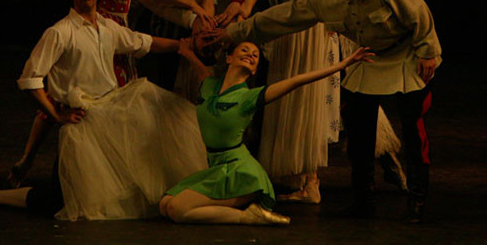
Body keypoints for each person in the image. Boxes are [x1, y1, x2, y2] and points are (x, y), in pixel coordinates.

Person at [210, 0, 442, 223]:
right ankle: (363, 200)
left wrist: (427, 51)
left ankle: (417, 200)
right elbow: (278, 18)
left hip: (407, 53)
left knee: (413, 128)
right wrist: (231, 33)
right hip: (369, 58)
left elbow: (418, 12)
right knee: (359, 130)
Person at [4, 0, 210, 189]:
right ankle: (73, 169)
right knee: (90, 98)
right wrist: (189, 4)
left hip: (113, 28)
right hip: (102, 27)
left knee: (91, 98)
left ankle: (89, 168)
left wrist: (182, 41)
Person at [0, 0, 207, 220]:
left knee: (109, 187)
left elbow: (141, 41)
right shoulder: (60, 32)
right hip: (82, 122)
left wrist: (183, 45)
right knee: (63, 199)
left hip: (109, 116)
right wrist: (56, 115)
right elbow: (30, 79)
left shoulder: (107, 27)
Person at [159, 39, 375, 225]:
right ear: (229, 58)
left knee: (177, 208)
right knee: (165, 205)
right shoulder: (209, 85)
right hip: (217, 168)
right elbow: (193, 60)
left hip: (241, 175)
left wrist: (343, 64)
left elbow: (297, 81)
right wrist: (185, 50)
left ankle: (249, 217)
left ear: (254, 70)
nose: (251, 55)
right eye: (244, 50)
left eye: (255, 55)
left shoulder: (249, 97)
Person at [236, 0, 341, 204]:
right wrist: (233, 19)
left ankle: (312, 182)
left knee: (310, 102)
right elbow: (247, 5)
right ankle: (299, 180)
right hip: (285, 40)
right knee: (287, 104)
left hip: (314, 38)